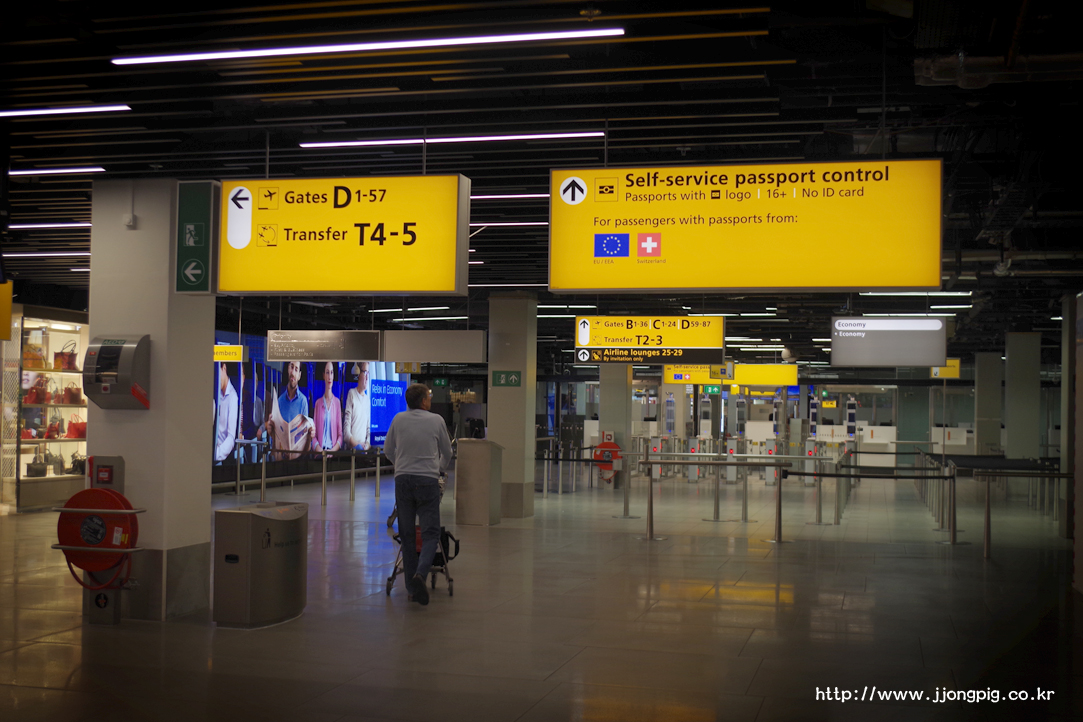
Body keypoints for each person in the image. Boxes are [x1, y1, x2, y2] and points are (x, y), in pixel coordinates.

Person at [383, 383, 452, 606]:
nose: (430, 399)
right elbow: (448, 451)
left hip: (403, 481)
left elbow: (388, 450)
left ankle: (412, 590)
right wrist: (438, 468)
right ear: (423, 401)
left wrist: (401, 466)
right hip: (427, 481)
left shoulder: (398, 419)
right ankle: (420, 575)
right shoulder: (437, 420)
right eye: (428, 397)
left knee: (407, 534)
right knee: (430, 533)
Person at [266, 360, 316, 457]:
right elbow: (276, 437)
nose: (293, 372)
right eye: (291, 367)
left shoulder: (303, 402)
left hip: (297, 455)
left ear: (299, 375)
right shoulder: (279, 401)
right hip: (282, 455)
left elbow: (305, 437)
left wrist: (310, 434)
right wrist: (271, 431)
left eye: (296, 369)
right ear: (288, 369)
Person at [312, 361, 342, 451]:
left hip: (333, 453)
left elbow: (340, 436)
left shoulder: (337, 403)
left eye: (331, 373)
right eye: (327, 372)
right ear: (324, 375)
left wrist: (332, 452)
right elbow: (313, 436)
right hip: (320, 452)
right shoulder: (318, 403)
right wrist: (321, 451)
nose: (329, 377)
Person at [343, 361, 371, 451]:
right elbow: (346, 431)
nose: (367, 377)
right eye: (365, 372)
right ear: (359, 374)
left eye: (368, 373)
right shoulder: (351, 394)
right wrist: (358, 445)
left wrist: (366, 445)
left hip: (364, 451)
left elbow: (369, 429)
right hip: (352, 450)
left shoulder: (367, 400)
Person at [214, 362, 238, 464]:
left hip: (221, 454)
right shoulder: (214, 393)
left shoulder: (232, 397)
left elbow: (231, 437)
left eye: (217, 373)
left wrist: (216, 454)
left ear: (224, 368)